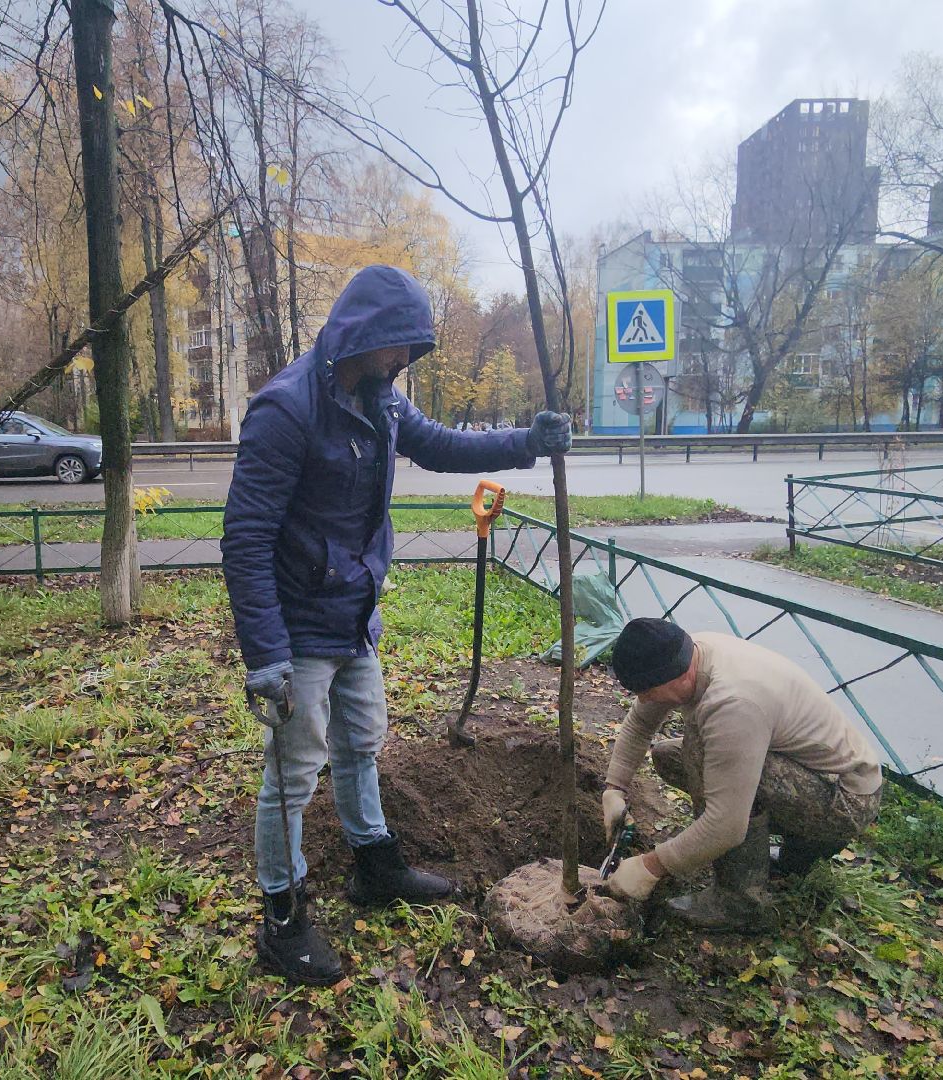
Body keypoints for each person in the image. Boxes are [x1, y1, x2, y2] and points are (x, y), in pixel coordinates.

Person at [223, 264, 572, 986]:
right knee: (292, 775)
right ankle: (282, 920)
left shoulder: (379, 399)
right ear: (366, 335)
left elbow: (441, 445)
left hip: (353, 613)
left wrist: (526, 443)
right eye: (400, 348)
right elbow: (246, 537)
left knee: (360, 743)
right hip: (298, 626)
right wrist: (265, 656)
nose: (406, 363)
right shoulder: (286, 411)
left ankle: (375, 866)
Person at [597, 617, 883, 932]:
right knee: (670, 755)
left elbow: (725, 827)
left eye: (648, 692)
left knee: (701, 756)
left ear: (674, 675)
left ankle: (739, 903)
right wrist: (615, 788)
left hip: (845, 798)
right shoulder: (685, 651)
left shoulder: (732, 703)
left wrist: (650, 867)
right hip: (804, 769)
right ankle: (793, 851)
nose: (644, 700)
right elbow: (640, 723)